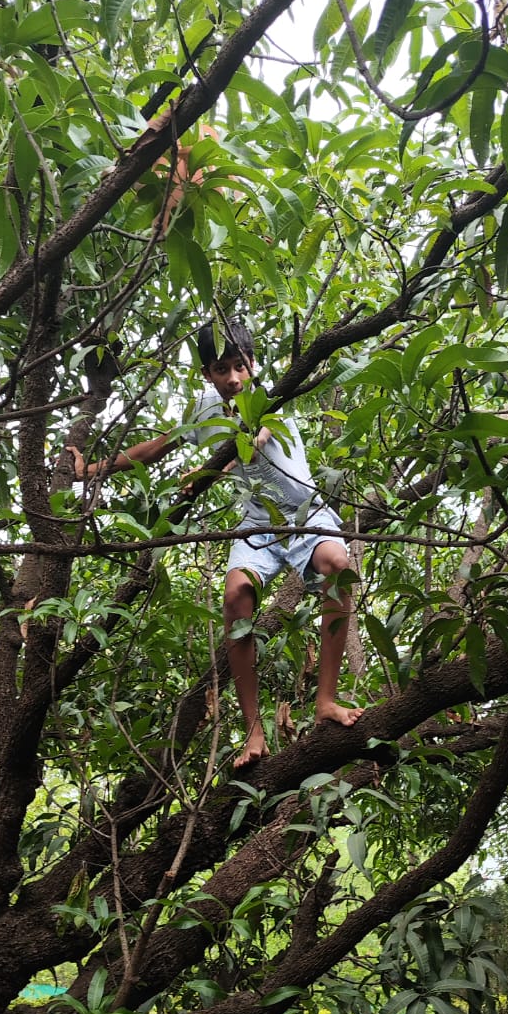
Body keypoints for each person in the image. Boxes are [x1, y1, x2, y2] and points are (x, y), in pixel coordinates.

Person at [69, 316, 361, 768]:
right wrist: (91, 470)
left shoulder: (269, 395)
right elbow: (159, 445)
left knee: (338, 564)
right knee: (235, 596)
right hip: (257, 524)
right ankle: (253, 731)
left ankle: (325, 700)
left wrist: (208, 473)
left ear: (253, 363)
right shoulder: (204, 407)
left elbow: (252, 437)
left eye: (239, 366)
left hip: (306, 515)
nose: (233, 379)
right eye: (221, 370)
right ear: (207, 373)